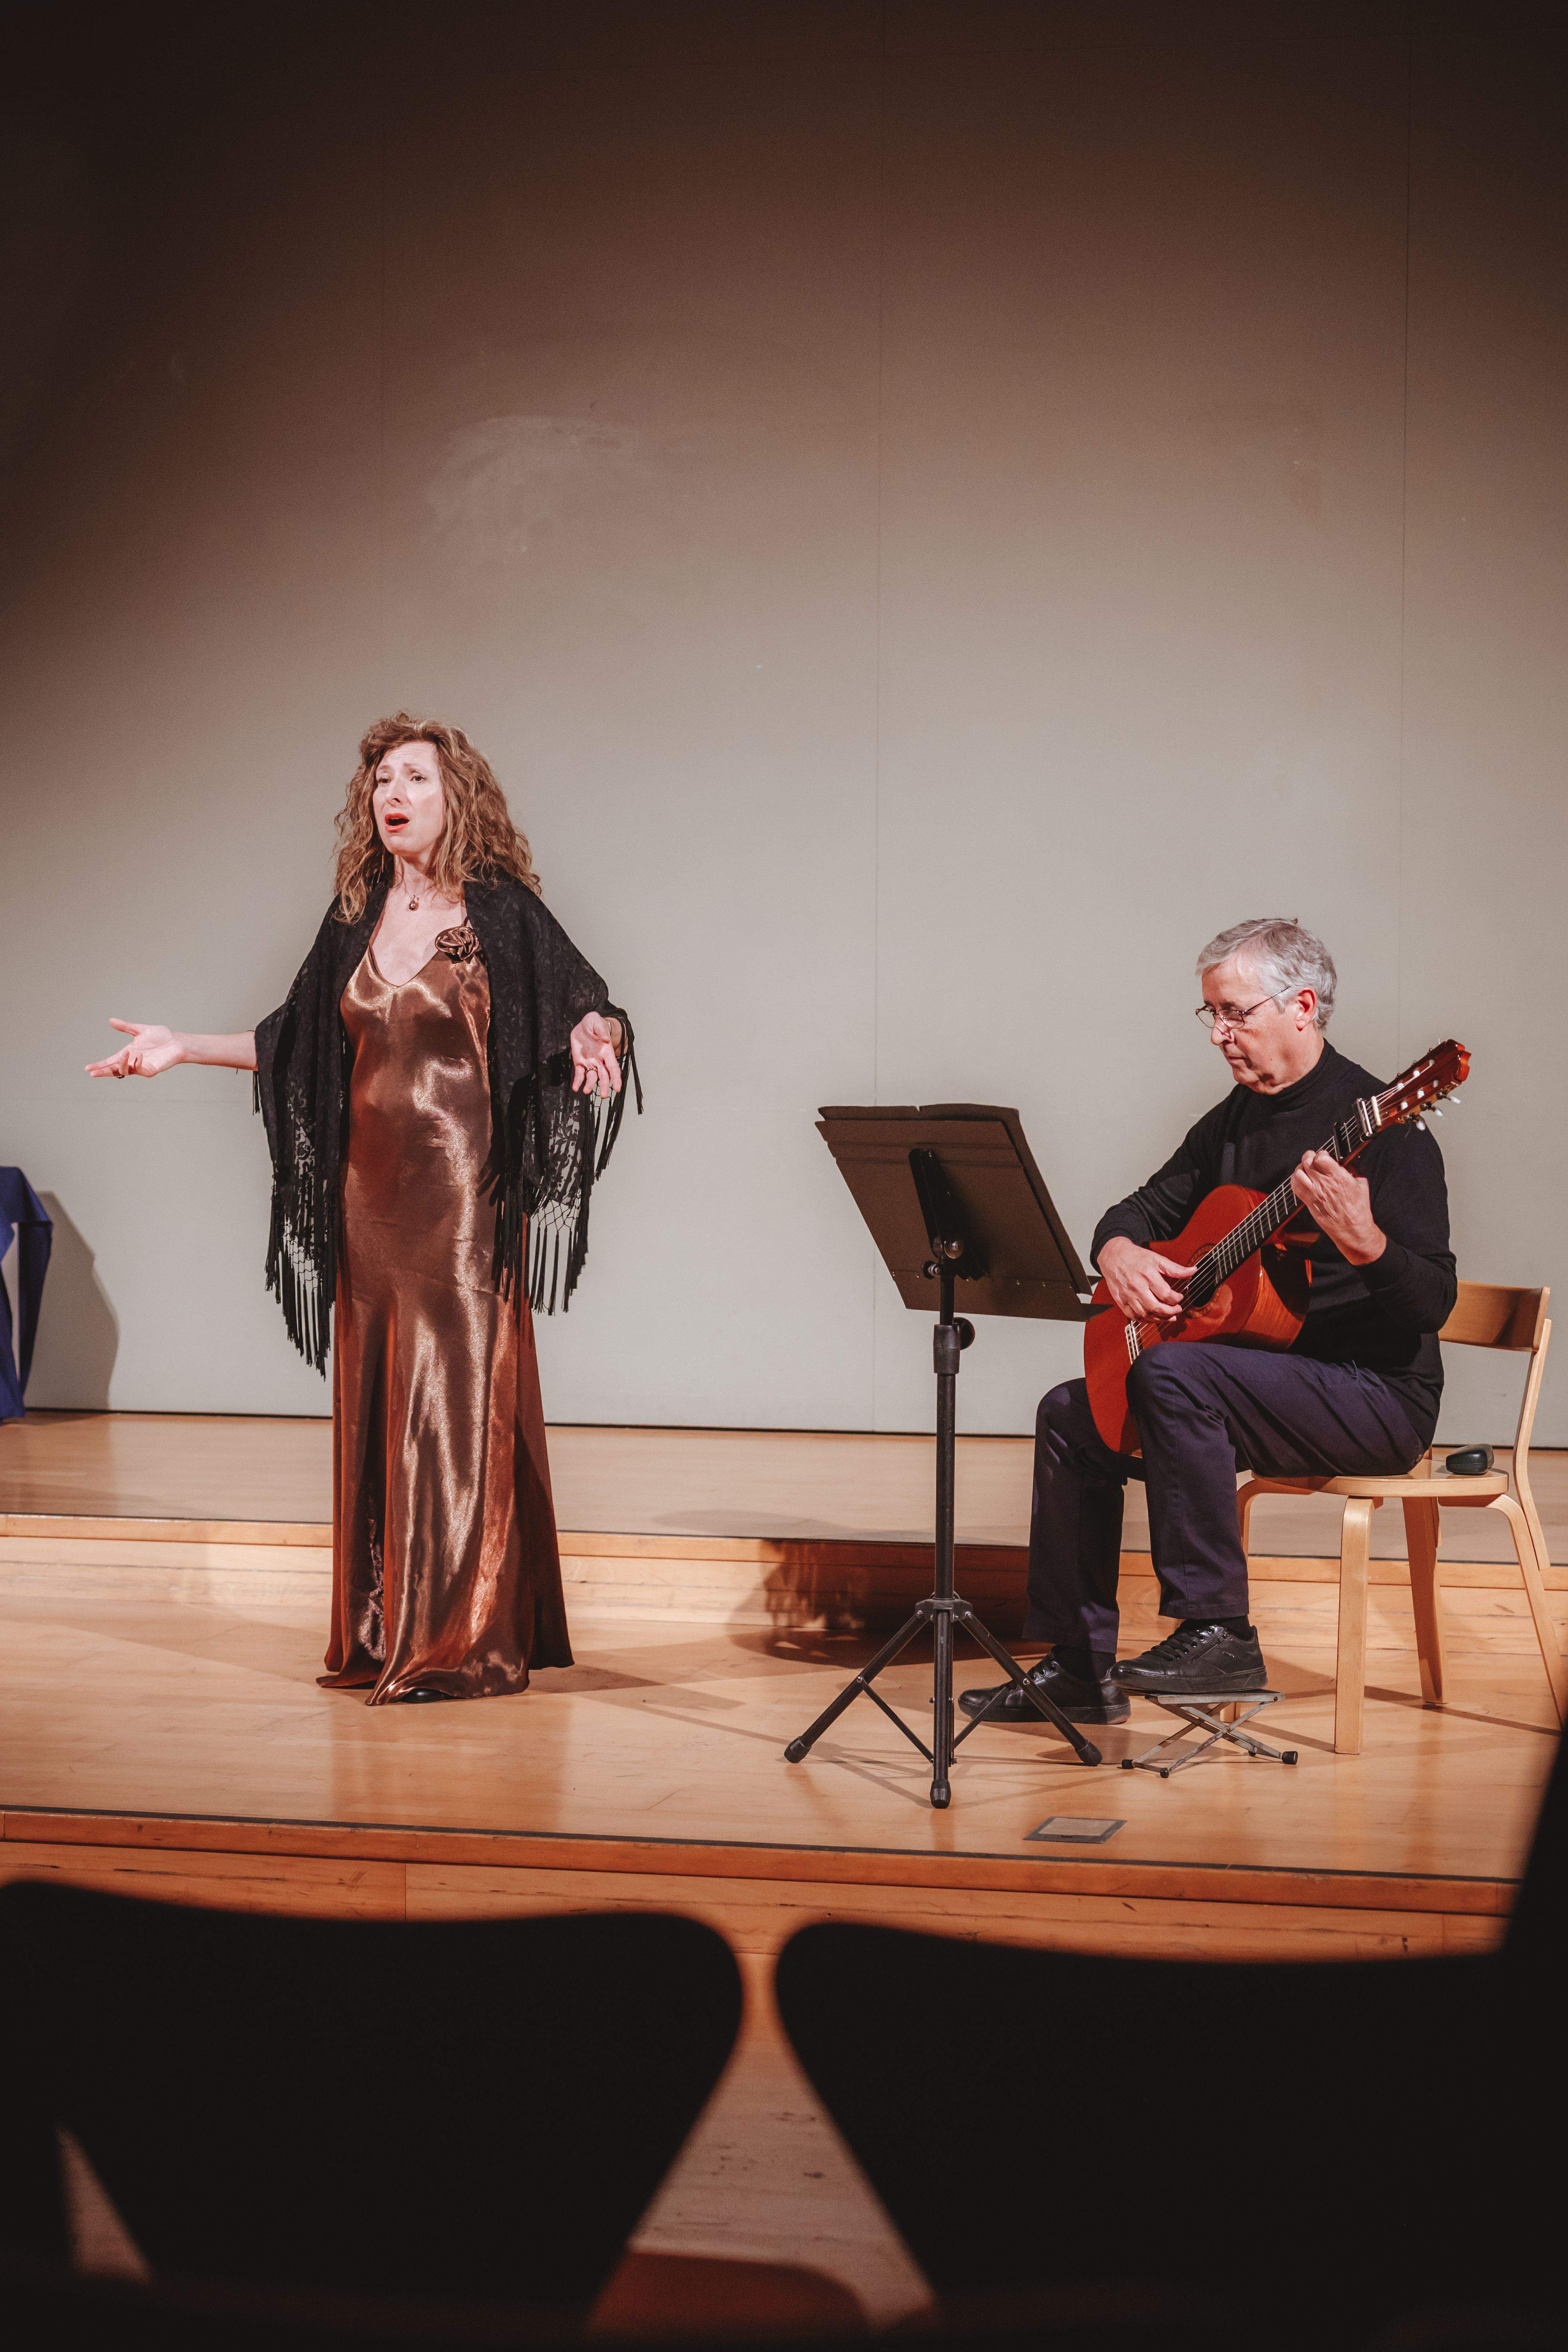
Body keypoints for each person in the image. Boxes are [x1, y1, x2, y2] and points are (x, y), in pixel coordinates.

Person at [89, 714, 638, 1705]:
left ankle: (461, 1640)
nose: (394, 793)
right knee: (385, 1403)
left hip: (465, 1195)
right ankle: (388, 1628)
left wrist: (594, 1034)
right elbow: (294, 1038)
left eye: (415, 778)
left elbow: (580, 1001)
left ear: (453, 795)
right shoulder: (355, 915)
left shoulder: (501, 911)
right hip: (368, 1203)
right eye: (383, 779)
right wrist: (182, 1046)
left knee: (456, 1405)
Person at [960, 916, 1455, 1724]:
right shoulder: (1231, 1120)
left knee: (1171, 1371)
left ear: (1301, 1006)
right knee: (1067, 1412)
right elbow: (1139, 1205)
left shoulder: (1388, 1131)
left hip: (1373, 1394)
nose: (1219, 1034)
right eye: (1211, 1015)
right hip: (1255, 1379)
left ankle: (1218, 1631)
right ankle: (1078, 1667)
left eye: (1235, 1012)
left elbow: (1430, 1302)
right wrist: (1116, 1248)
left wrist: (1366, 1243)